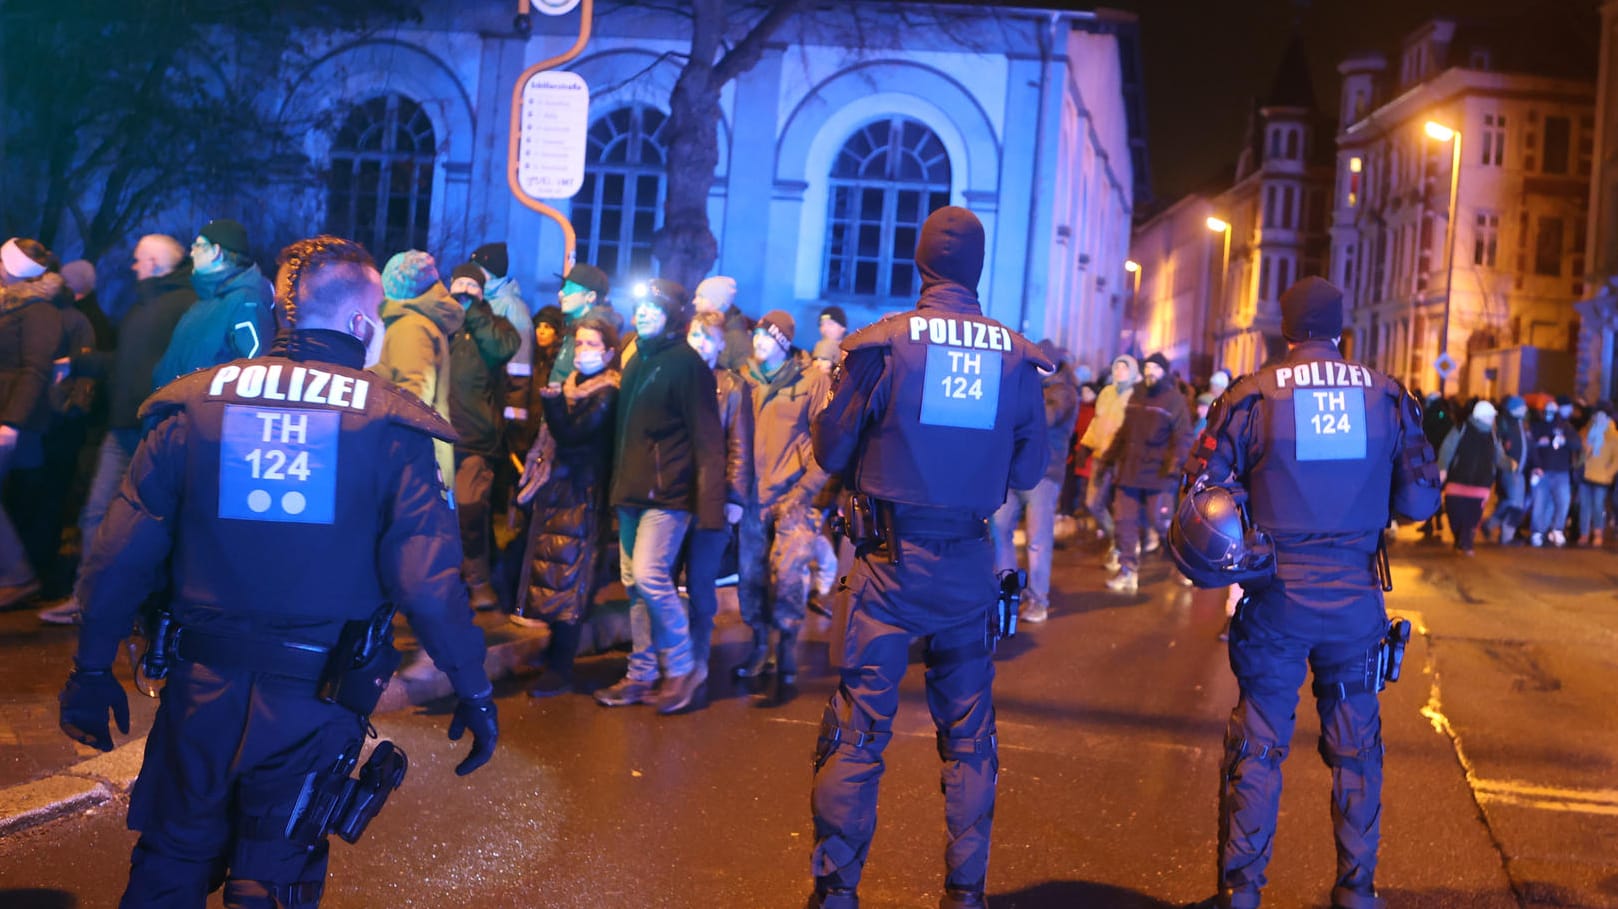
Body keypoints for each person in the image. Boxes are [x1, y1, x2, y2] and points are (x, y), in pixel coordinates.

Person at [58, 235, 497, 907]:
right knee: (271, 875)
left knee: (171, 859)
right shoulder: (390, 425)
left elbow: (118, 553)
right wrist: (472, 684)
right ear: (360, 323)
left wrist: (91, 668)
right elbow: (427, 581)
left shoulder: (193, 406)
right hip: (314, 700)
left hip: (198, 688)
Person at [807, 206, 1049, 909]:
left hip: (885, 564)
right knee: (970, 738)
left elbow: (831, 448)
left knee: (856, 735)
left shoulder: (882, 344)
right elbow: (1030, 470)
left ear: (922, 263)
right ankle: (965, 894)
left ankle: (836, 892)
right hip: (969, 566)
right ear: (978, 266)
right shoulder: (1014, 354)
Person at [1175, 276, 1440, 909]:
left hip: (1276, 596)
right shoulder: (1387, 396)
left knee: (1259, 745)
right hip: (1355, 599)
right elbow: (1421, 498)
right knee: (1357, 747)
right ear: (1342, 328)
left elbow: (1198, 496)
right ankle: (1357, 890)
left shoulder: (1252, 397)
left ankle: (1242, 892)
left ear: (1285, 330)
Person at [40, 236, 197, 624]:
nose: (133, 266)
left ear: (157, 263)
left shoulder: (183, 306)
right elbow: (124, 363)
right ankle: (89, 600)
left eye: (140, 259)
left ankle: (128, 608)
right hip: (122, 426)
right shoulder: (142, 306)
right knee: (96, 515)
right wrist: (80, 362)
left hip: (153, 429)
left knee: (137, 524)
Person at [594, 278, 725, 715]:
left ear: (672, 314)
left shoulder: (688, 365)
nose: (643, 314)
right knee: (633, 586)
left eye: (653, 307)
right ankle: (642, 672)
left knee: (650, 577)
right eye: (641, 306)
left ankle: (683, 665)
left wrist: (709, 508)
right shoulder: (637, 359)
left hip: (668, 495)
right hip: (630, 491)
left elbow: (709, 441)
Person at [513, 315, 621, 696]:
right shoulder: (576, 385)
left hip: (583, 496)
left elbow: (573, 436)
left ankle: (561, 667)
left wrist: (555, 404)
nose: (583, 351)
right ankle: (553, 654)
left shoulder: (606, 392)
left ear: (609, 352)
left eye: (592, 345)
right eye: (580, 344)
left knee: (570, 579)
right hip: (560, 492)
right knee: (552, 572)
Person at [733, 309, 831, 700]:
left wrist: (806, 491)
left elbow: (826, 445)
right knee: (750, 577)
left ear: (783, 343)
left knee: (788, 577)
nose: (757, 343)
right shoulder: (744, 380)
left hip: (794, 498)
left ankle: (787, 651)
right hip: (752, 499)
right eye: (756, 337)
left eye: (766, 338)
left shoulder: (812, 382)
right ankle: (759, 646)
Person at [445, 263, 522, 610]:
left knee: (470, 507)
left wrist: (474, 311)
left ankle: (478, 582)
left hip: (474, 436)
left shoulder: (494, 325)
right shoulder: (439, 324)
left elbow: (503, 347)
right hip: (436, 434)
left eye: (470, 286)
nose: (462, 290)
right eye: (458, 284)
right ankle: (444, 581)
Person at [684, 310, 753, 682]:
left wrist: (735, 499)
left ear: (721, 343)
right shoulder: (677, 378)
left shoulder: (731, 387)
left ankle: (696, 659)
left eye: (708, 336)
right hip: (675, 498)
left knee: (700, 583)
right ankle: (670, 656)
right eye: (695, 335)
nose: (701, 343)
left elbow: (740, 447)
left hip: (712, 501)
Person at [991, 339, 1079, 622]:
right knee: (998, 529)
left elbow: (1046, 417)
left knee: (1037, 540)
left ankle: (1038, 600)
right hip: (1015, 470)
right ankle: (1007, 592)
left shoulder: (1063, 392)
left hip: (1044, 474)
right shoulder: (1028, 387)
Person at [0, 238, 66, 609]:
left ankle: (18, 575)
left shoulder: (38, 310)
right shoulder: (10, 304)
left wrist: (12, 422)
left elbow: (35, 369)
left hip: (13, 419)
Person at [1100, 351, 1191, 593]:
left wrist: (1174, 468)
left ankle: (1184, 566)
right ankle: (1128, 569)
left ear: (1165, 372)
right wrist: (1108, 459)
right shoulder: (1137, 396)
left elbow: (1183, 437)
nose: (1151, 372)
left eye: (1156, 368)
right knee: (1124, 523)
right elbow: (1125, 431)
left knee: (1161, 524)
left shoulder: (1174, 400)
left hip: (1158, 474)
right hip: (1130, 471)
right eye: (1148, 367)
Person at [151, 219, 276, 387]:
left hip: (205, 412)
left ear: (216, 252)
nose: (192, 253)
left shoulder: (246, 301)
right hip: (176, 410)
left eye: (198, 246)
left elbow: (255, 375)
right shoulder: (203, 302)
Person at [1080, 354, 1138, 560]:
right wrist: (1086, 445)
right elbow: (1097, 422)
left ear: (1132, 372)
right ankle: (1116, 536)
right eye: (1116, 367)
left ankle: (1122, 546)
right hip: (1101, 457)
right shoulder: (1106, 393)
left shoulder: (1136, 395)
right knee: (1093, 502)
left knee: (1121, 506)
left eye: (1124, 368)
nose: (1119, 371)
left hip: (1123, 459)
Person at [1437, 400, 1508, 555]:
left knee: (1473, 516)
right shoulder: (1461, 429)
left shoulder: (1493, 434)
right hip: (1457, 480)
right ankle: (1460, 539)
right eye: (1490, 416)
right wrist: (1442, 468)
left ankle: (1466, 543)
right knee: (1455, 513)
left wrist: (1509, 464)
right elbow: (1447, 449)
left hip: (1481, 483)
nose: (1492, 420)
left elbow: (1498, 456)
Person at [1527, 395, 1580, 548]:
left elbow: (1576, 444)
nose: (1550, 415)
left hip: (1561, 472)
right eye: (1547, 412)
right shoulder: (1537, 426)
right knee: (1539, 503)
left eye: (1553, 412)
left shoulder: (1565, 427)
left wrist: (1565, 441)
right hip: (1542, 471)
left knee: (1563, 501)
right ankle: (1537, 532)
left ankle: (1557, 529)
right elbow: (1531, 447)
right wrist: (1536, 465)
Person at [549, 263, 613, 384]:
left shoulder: (594, 333)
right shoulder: (571, 324)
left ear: (590, 297)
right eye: (564, 287)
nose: (561, 294)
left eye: (570, 289)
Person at [1483, 395, 1531, 544]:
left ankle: (1495, 528)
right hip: (1509, 470)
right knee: (1514, 503)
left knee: (1514, 503)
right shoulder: (1505, 424)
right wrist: (1505, 463)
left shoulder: (1521, 424)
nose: (1524, 410)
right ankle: (1501, 532)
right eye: (1521, 407)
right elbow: (1498, 447)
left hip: (1520, 471)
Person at [1577, 404, 1618, 546]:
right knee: (1584, 506)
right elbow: (1579, 453)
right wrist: (1586, 446)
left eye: (1603, 416)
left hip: (1602, 477)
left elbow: (1616, 459)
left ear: (1608, 418)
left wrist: (1609, 472)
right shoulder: (1585, 432)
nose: (1599, 418)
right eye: (1597, 415)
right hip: (1585, 474)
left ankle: (1598, 533)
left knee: (1598, 506)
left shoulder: (1613, 436)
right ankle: (1584, 534)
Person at [694, 275, 754, 370]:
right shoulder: (697, 323)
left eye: (701, 297)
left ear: (717, 301)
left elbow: (743, 379)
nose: (695, 301)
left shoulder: (737, 337)